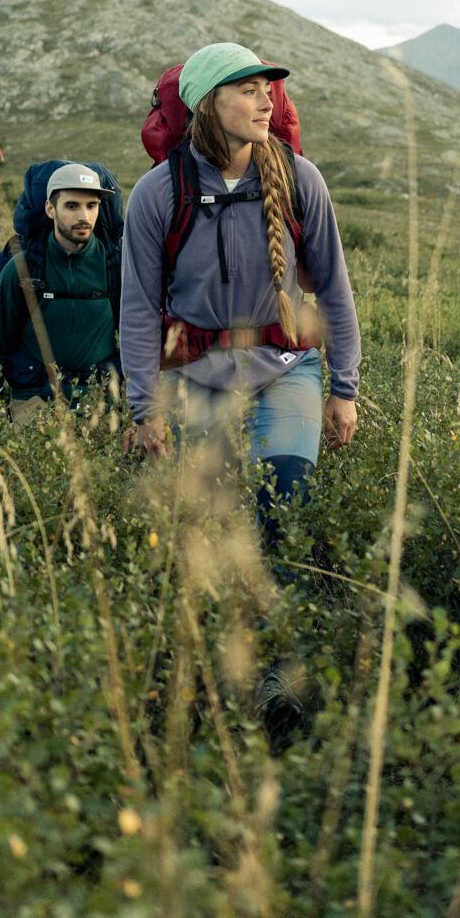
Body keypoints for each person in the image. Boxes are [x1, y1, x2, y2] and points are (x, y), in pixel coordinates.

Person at [119, 43, 360, 555]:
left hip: (285, 364)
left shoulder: (301, 179)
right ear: (208, 102)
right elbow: (138, 308)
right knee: (205, 522)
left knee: (286, 508)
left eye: (267, 91)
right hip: (194, 372)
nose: (267, 103)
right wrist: (144, 409)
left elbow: (335, 289)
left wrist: (345, 388)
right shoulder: (158, 193)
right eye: (248, 91)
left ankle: (284, 622)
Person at [0, 161, 121, 423]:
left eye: (91, 205)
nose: (84, 216)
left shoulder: (115, 267)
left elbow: (142, 343)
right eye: (71, 206)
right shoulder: (23, 268)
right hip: (33, 400)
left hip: (99, 403)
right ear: (50, 209)